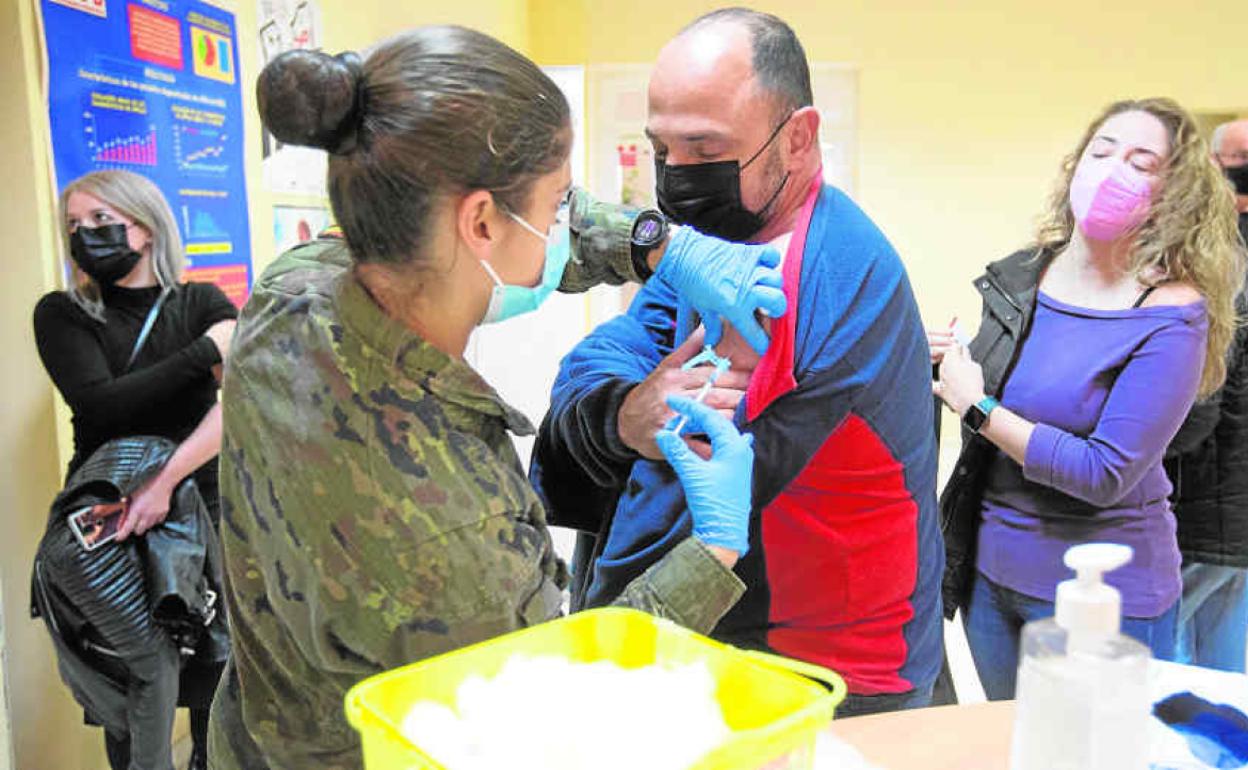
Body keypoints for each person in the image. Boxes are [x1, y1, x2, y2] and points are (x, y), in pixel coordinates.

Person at [208, 27, 787, 770]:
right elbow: (562, 709)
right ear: (480, 221)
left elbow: (538, 235)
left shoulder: (291, 293)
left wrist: (659, 244)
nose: (563, 222)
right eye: (554, 202)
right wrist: (713, 548)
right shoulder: (447, 526)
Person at [531, 8, 945, 717]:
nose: (678, 175)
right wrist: (627, 415)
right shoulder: (716, 246)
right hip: (734, 634)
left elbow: (662, 511)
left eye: (704, 146)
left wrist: (587, 656)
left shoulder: (821, 280)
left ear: (800, 138)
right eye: (662, 147)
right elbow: (605, 353)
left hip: (824, 669)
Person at [932, 98, 1244, 700]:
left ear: (1175, 191)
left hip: (1108, 596)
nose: (1111, 170)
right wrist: (949, 362)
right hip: (990, 579)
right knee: (1017, 747)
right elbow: (996, 388)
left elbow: (1104, 472)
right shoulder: (1025, 276)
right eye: (1101, 151)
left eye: (1141, 161)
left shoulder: (1169, 314)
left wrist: (980, 408)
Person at [33, 169, 236, 770]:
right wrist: (207, 351)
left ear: (144, 229)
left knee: (214, 679)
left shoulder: (200, 300)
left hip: (202, 511)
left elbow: (239, 406)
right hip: (111, 521)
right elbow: (102, 404)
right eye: (74, 225)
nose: (84, 235)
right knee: (129, 688)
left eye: (100, 221)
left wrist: (166, 480)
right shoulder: (64, 314)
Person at [1161, 118, 1248, 673]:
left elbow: (1194, 410)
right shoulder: (1202, 252)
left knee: (1192, 676)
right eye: (1237, 160)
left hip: (1218, 513)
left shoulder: (1212, 264)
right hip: (1201, 507)